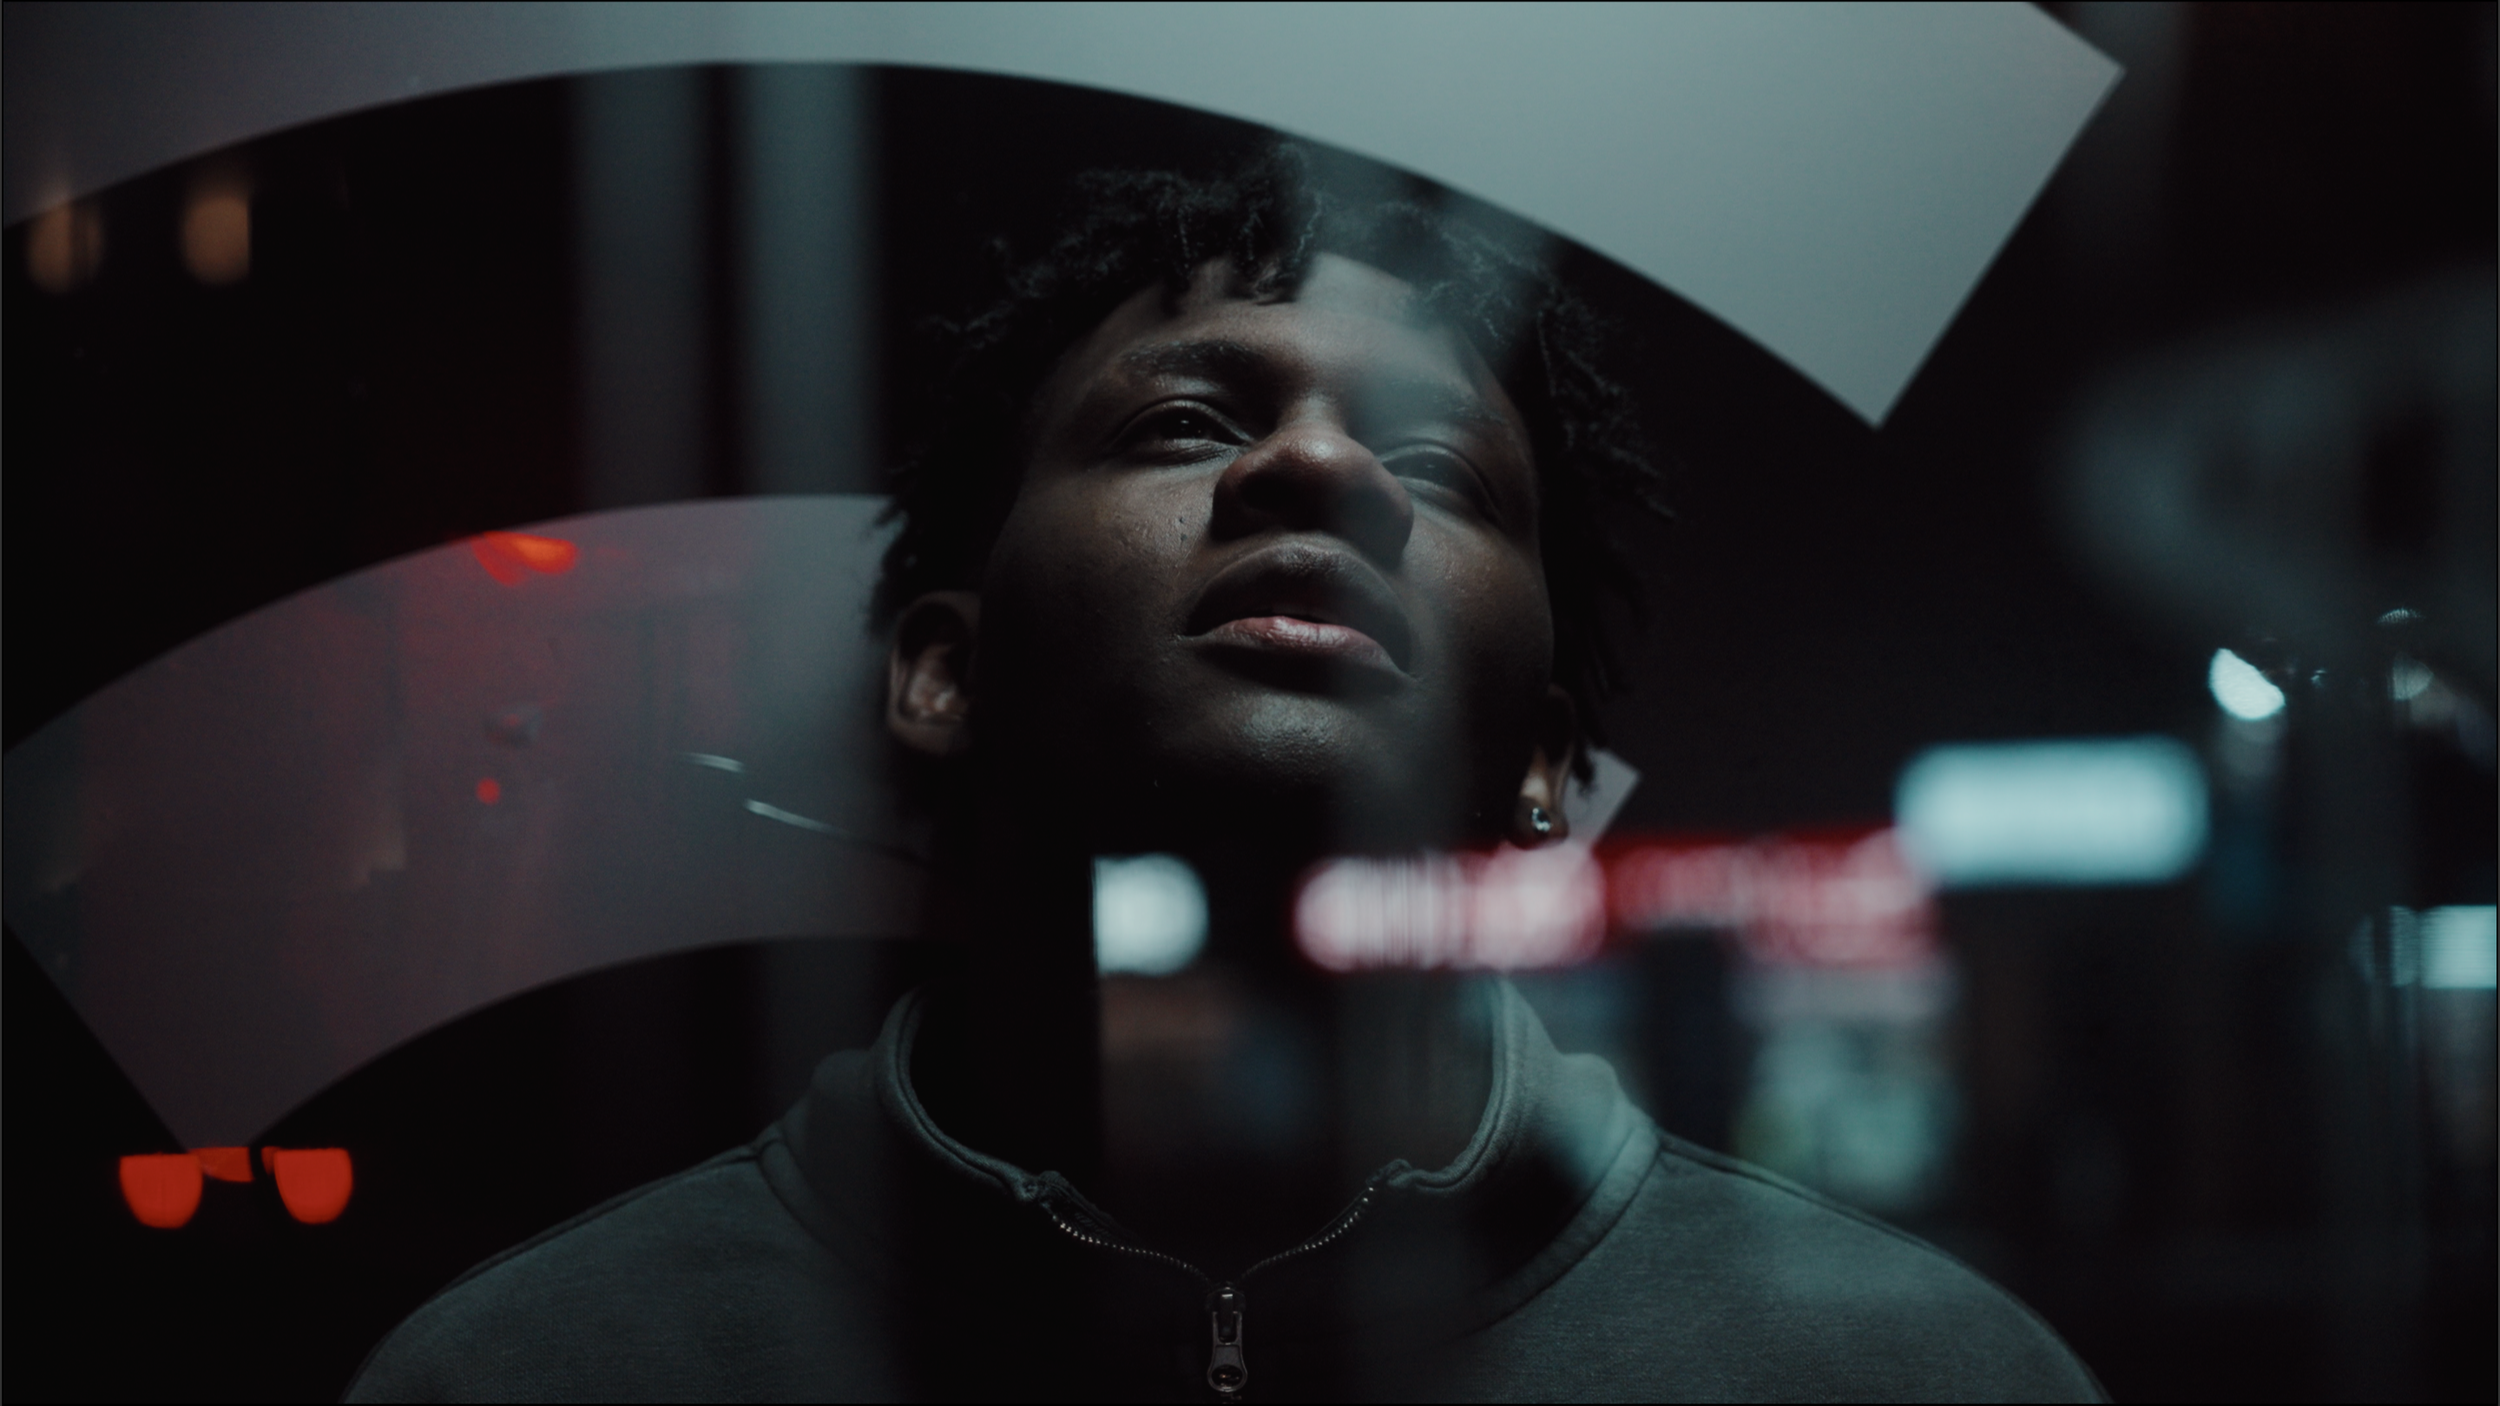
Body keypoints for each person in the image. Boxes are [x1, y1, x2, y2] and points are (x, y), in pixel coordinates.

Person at [348, 147, 2103, 1402]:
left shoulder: (1908, 1371)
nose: (1323, 470)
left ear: (1550, 765)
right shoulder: (544, 1369)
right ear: (945, 671)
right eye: (1188, 423)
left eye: (1431, 456)